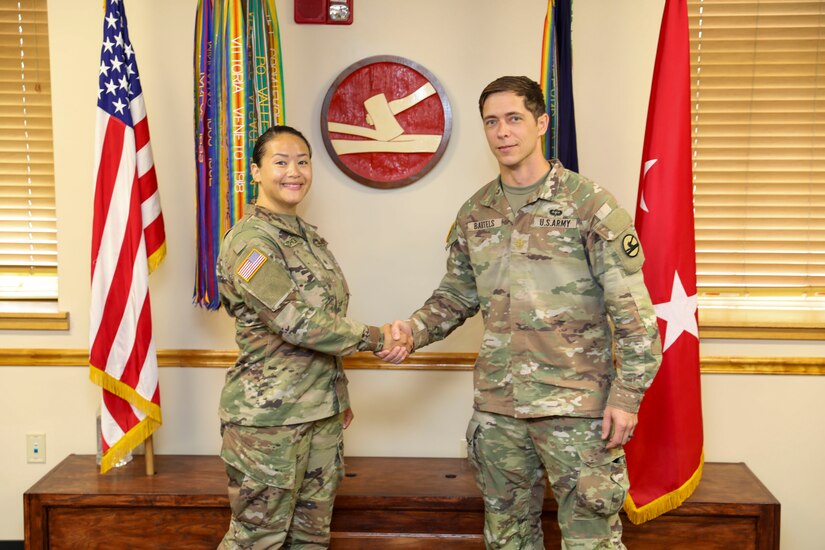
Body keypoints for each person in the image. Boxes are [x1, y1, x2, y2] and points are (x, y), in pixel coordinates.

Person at [381, 77, 662, 549]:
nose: (502, 132)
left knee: (591, 541)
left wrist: (627, 396)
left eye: (514, 119)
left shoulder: (588, 203)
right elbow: (456, 294)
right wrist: (413, 329)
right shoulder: (476, 212)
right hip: (499, 410)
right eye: (492, 122)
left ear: (541, 124)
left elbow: (633, 312)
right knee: (507, 538)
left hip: (578, 410)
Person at [216, 125, 411, 549]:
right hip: (269, 423)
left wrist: (337, 395)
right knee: (257, 539)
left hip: (318, 415)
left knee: (310, 537)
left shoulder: (308, 238)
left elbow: (325, 320)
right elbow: (293, 320)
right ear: (256, 171)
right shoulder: (251, 243)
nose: (294, 172)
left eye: (302, 161)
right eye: (281, 162)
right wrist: (377, 337)